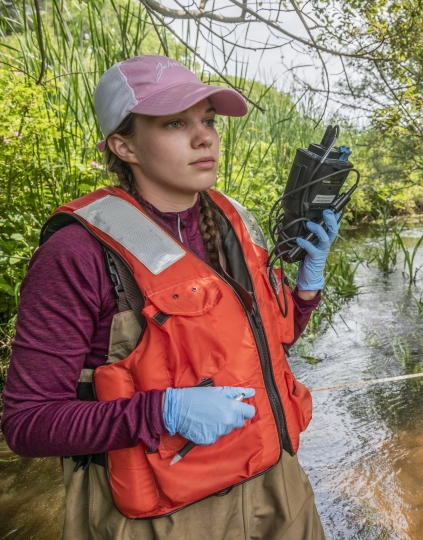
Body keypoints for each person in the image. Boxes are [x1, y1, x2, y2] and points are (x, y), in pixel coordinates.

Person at [1, 55, 335, 539]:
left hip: (277, 487)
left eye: (208, 121)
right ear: (124, 146)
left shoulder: (232, 223)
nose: (205, 138)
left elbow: (267, 348)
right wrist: (161, 413)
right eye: (176, 123)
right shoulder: (76, 253)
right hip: (163, 516)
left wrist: (306, 287)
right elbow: (28, 423)